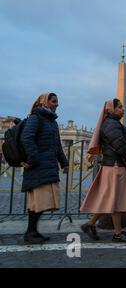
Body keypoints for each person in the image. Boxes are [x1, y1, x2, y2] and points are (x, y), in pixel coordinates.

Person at [80, 99, 126, 243]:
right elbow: (121, 146)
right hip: (115, 167)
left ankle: (90, 224)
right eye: (119, 107)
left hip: (112, 166)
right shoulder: (111, 125)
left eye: (123, 107)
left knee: (109, 198)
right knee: (115, 200)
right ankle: (117, 234)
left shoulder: (111, 124)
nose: (123, 109)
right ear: (110, 109)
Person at [21, 93, 69, 244]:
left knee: (41, 202)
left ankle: (33, 231)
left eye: (57, 102)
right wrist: (33, 159)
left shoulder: (51, 121)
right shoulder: (36, 118)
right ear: (44, 102)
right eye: (54, 101)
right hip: (38, 166)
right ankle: (30, 232)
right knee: (37, 201)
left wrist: (64, 162)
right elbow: (27, 138)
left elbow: (57, 144)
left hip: (47, 166)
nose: (57, 104)